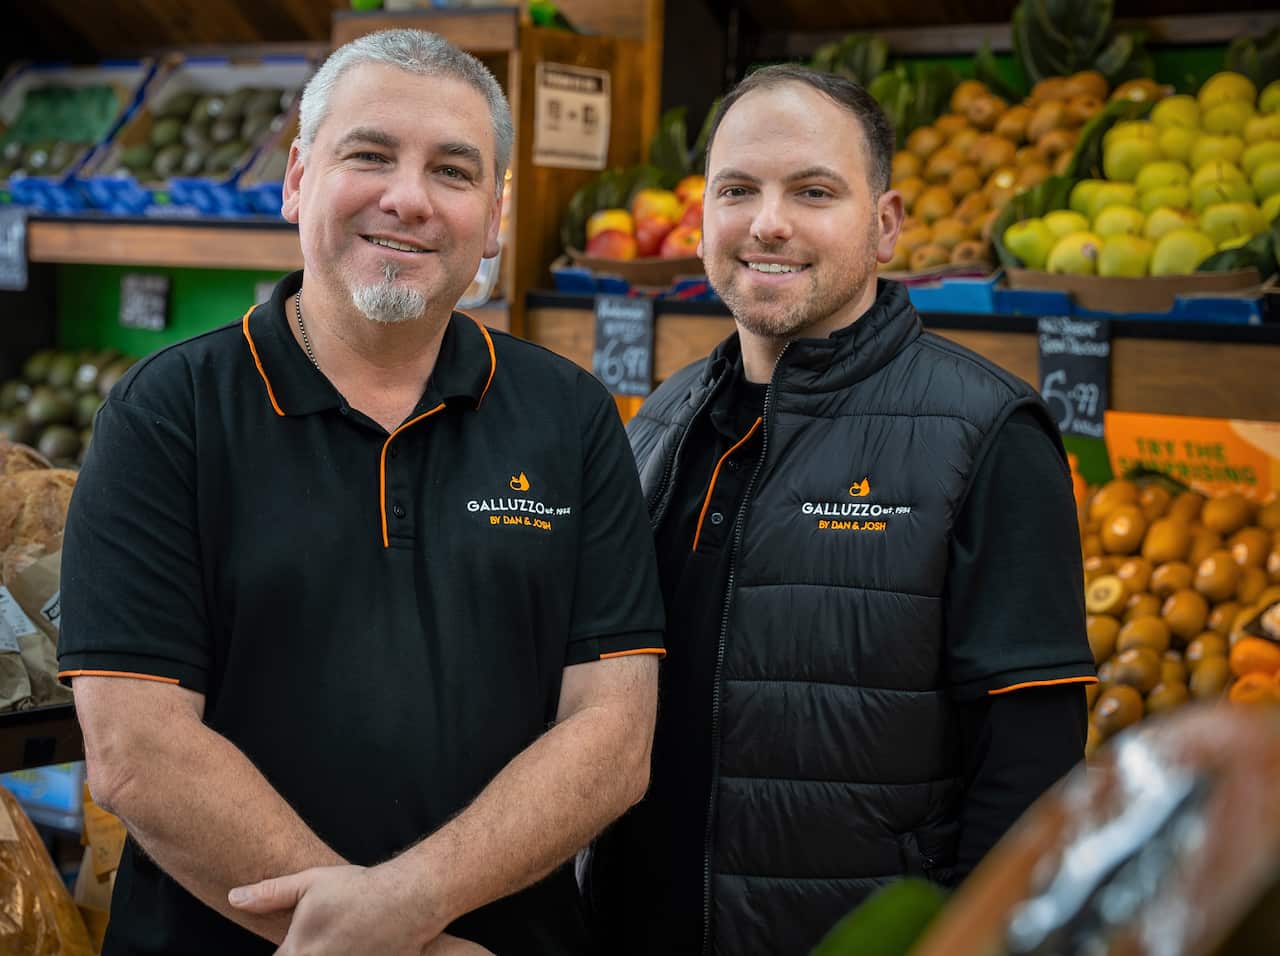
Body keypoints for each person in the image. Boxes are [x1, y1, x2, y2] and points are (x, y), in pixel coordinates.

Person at [58, 29, 664, 956]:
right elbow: (139, 753)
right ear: (299, 178)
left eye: (453, 172)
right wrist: (392, 946)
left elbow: (614, 731)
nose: (409, 198)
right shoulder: (165, 413)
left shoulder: (571, 415)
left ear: (495, 217)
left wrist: (408, 905)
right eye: (370, 155)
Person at [586, 65, 1097, 955]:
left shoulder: (985, 432)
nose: (768, 221)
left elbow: (1032, 773)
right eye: (737, 189)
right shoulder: (661, 421)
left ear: (886, 223)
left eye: (813, 191)